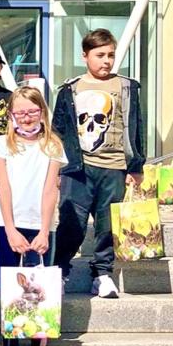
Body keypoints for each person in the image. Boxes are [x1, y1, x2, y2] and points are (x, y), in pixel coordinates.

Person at [0, 86, 67, 346]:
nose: (27, 117)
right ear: (11, 115)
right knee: (13, 294)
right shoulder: (0, 145)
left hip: (42, 226)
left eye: (32, 111)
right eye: (20, 112)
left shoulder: (52, 145)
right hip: (10, 226)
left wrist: (44, 230)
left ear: (42, 112)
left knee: (42, 293)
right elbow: (2, 188)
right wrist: (10, 228)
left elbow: (50, 189)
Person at [53, 29, 144, 299]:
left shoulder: (126, 87)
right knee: (72, 223)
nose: (106, 61)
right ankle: (59, 271)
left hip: (114, 167)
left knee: (107, 225)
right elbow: (58, 130)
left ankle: (102, 274)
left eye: (111, 55)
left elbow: (136, 126)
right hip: (77, 169)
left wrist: (136, 166)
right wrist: (56, 169)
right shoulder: (70, 89)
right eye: (100, 55)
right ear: (85, 56)